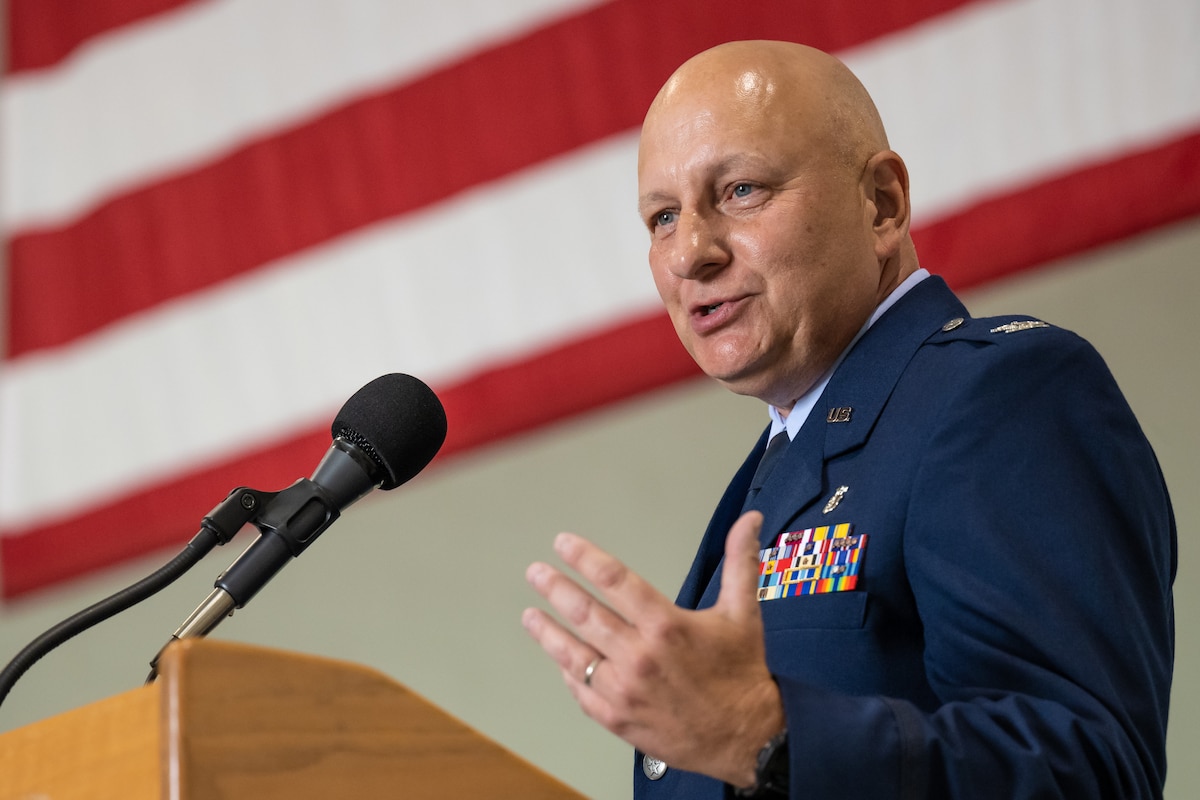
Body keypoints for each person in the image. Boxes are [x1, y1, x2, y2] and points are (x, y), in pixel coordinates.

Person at [521, 40, 1176, 799]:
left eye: (739, 190)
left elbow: (1091, 771)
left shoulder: (1001, 395)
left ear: (882, 204)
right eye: (662, 217)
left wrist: (764, 735)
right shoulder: (789, 456)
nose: (690, 254)